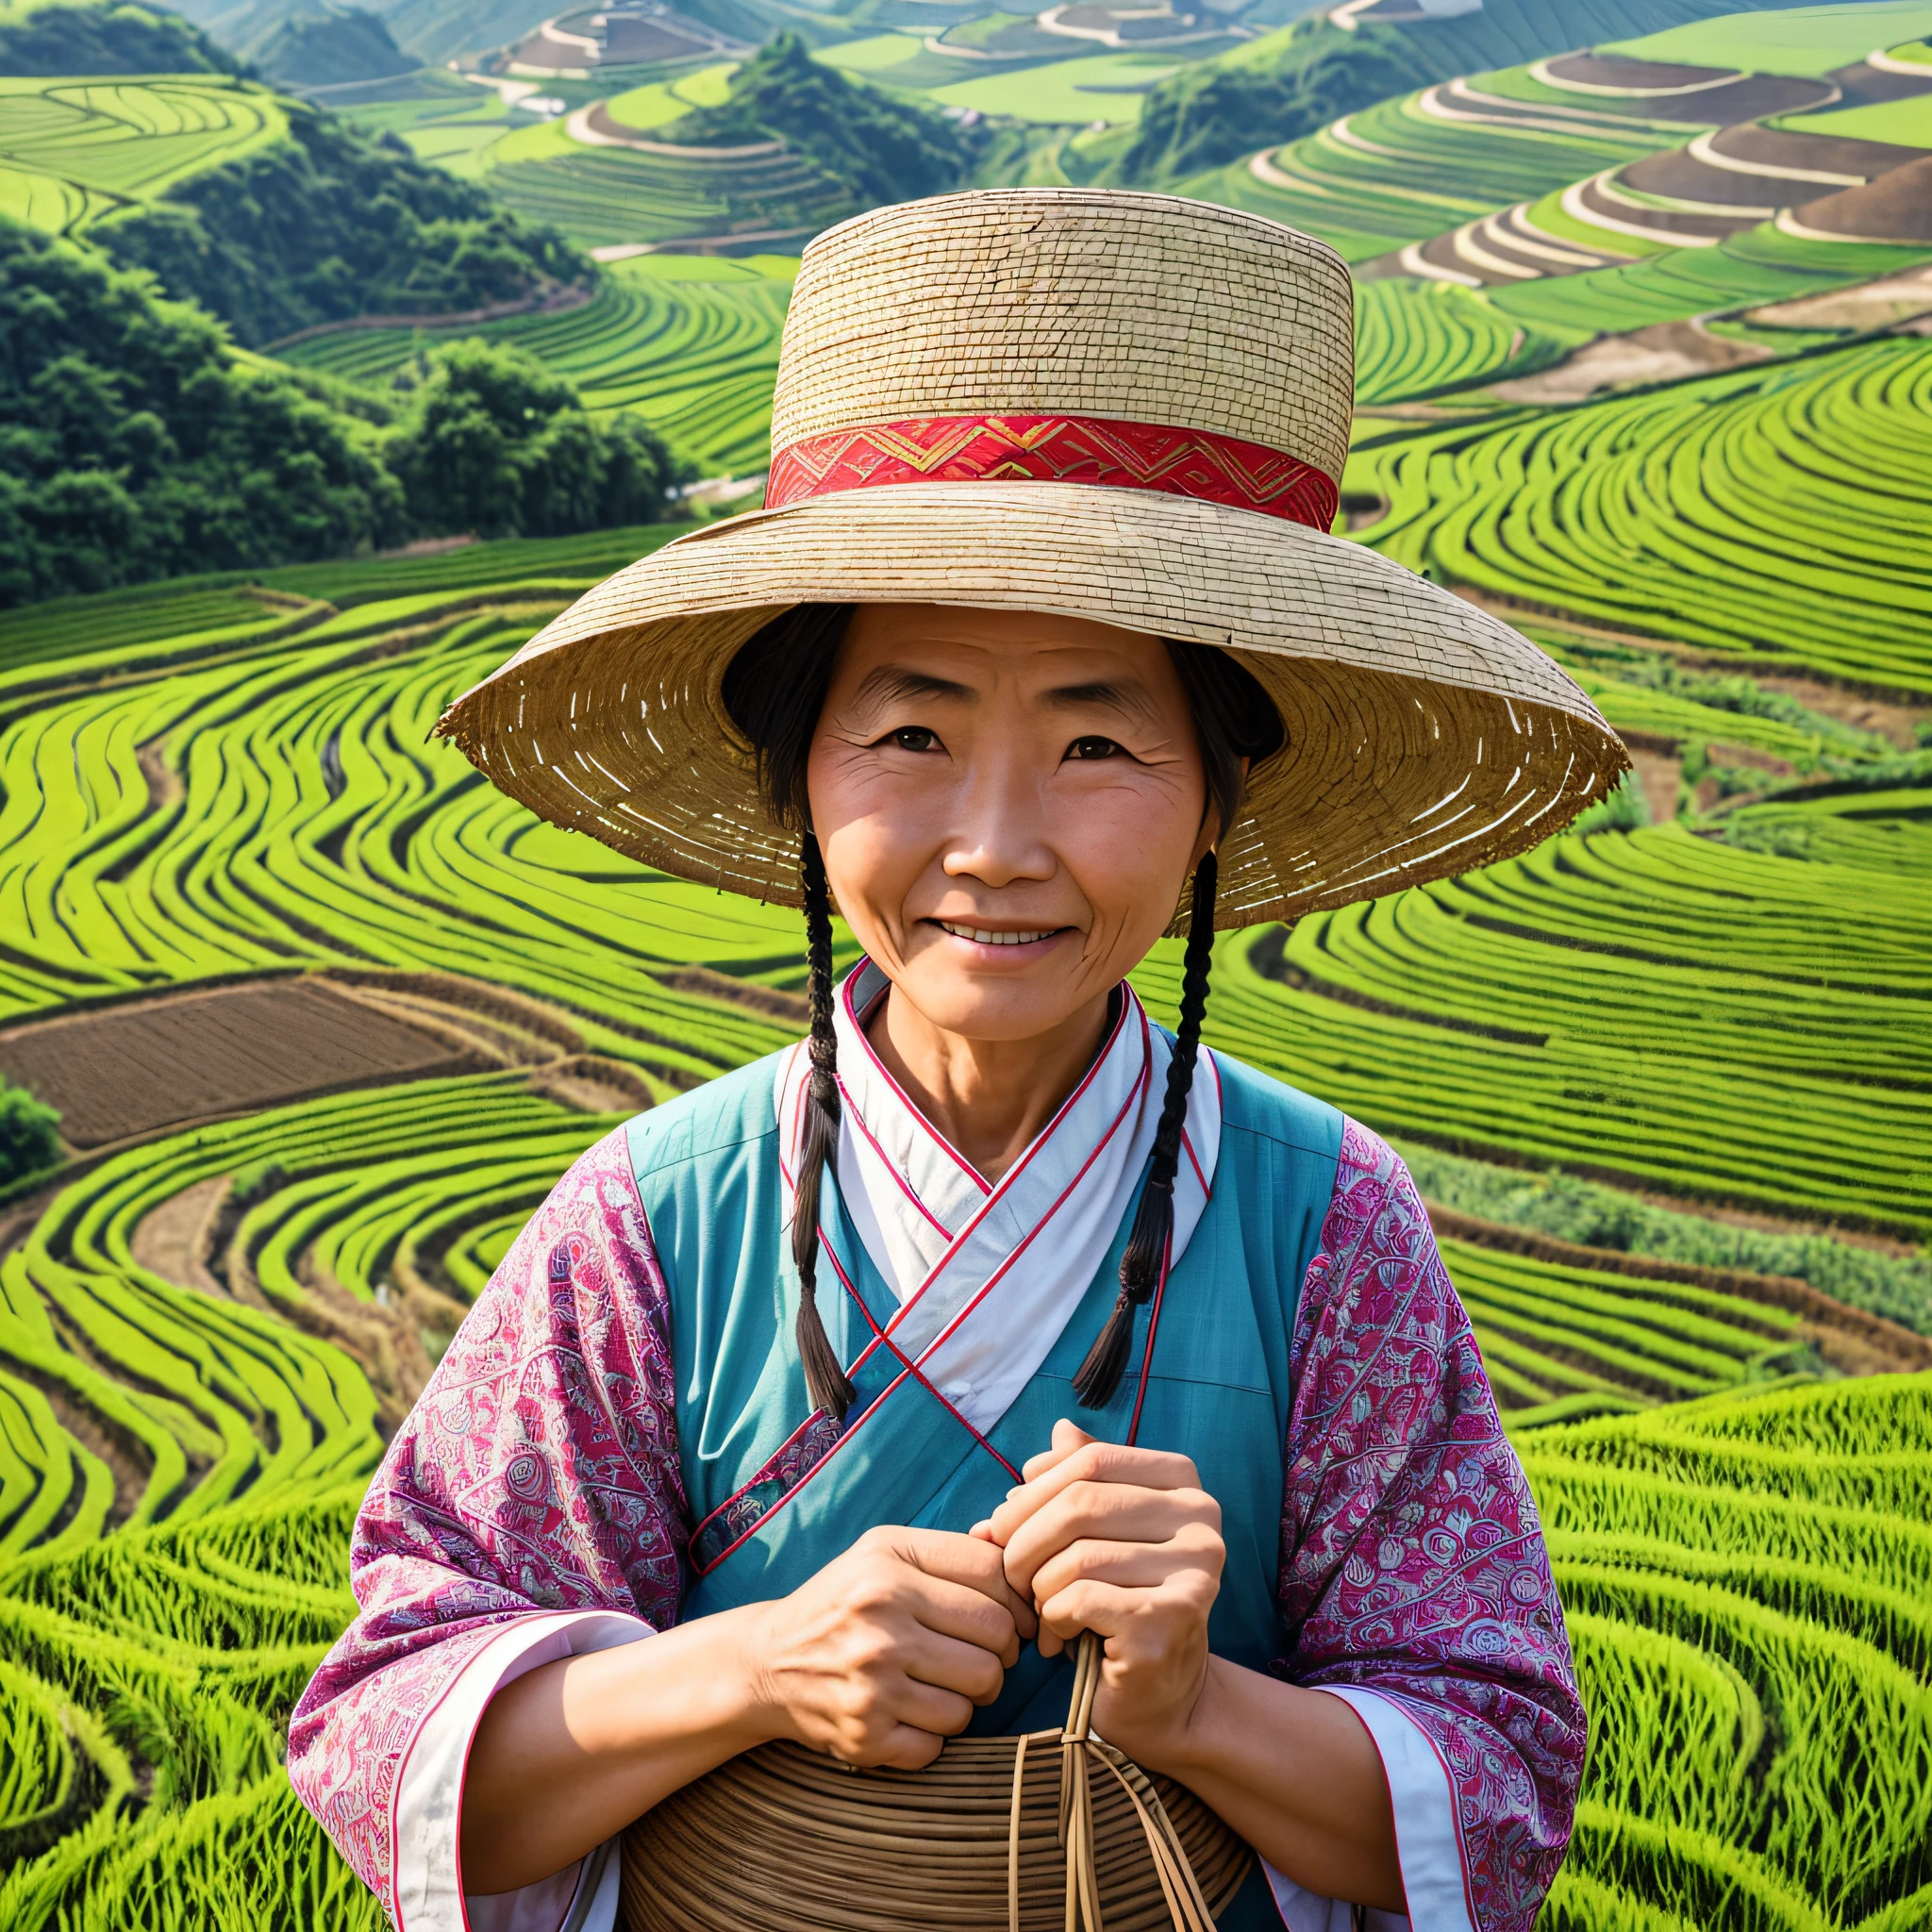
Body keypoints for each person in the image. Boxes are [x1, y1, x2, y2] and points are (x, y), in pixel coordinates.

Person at [290, 188, 1617, 1932]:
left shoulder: (1327, 1223)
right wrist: (753, 1665)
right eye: (911, 730)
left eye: (1098, 739)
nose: (995, 843)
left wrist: (1200, 1705)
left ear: (1221, 808)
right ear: (801, 777)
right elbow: (391, 1743)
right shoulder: (650, 1223)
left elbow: (1499, 1790)